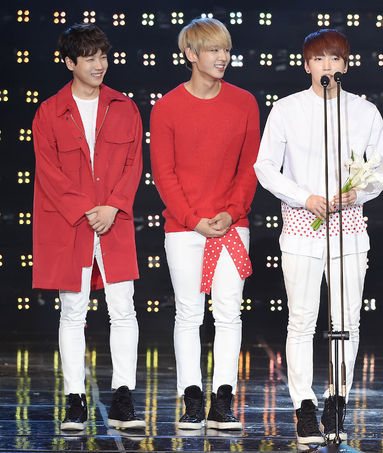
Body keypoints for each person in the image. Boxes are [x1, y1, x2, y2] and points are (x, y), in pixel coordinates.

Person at [254, 29, 383, 443]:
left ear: (345, 65)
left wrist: (359, 192)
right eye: (319, 59)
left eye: (334, 59)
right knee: (301, 320)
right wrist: (305, 197)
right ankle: (304, 406)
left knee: (346, 320)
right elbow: (266, 167)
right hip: (303, 228)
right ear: (307, 65)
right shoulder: (287, 109)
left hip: (348, 230)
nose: (327, 66)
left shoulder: (364, 111)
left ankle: (337, 401)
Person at [32, 23, 144, 430]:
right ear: (69, 63)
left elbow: (133, 164)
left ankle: (123, 397)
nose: (100, 65)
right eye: (90, 58)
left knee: (123, 309)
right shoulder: (49, 112)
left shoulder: (124, 107)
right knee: (72, 312)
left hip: (115, 221)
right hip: (71, 225)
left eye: (103, 56)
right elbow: (49, 172)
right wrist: (86, 210)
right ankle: (75, 399)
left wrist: (112, 207)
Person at [150, 17, 260, 430]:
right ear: (191, 54)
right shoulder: (166, 107)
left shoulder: (245, 102)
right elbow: (164, 174)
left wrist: (231, 212)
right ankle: (192, 399)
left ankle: (223, 401)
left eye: (226, 49)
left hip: (232, 224)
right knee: (188, 314)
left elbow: (250, 166)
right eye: (214, 50)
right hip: (185, 229)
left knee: (229, 314)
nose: (223, 57)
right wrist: (193, 220)